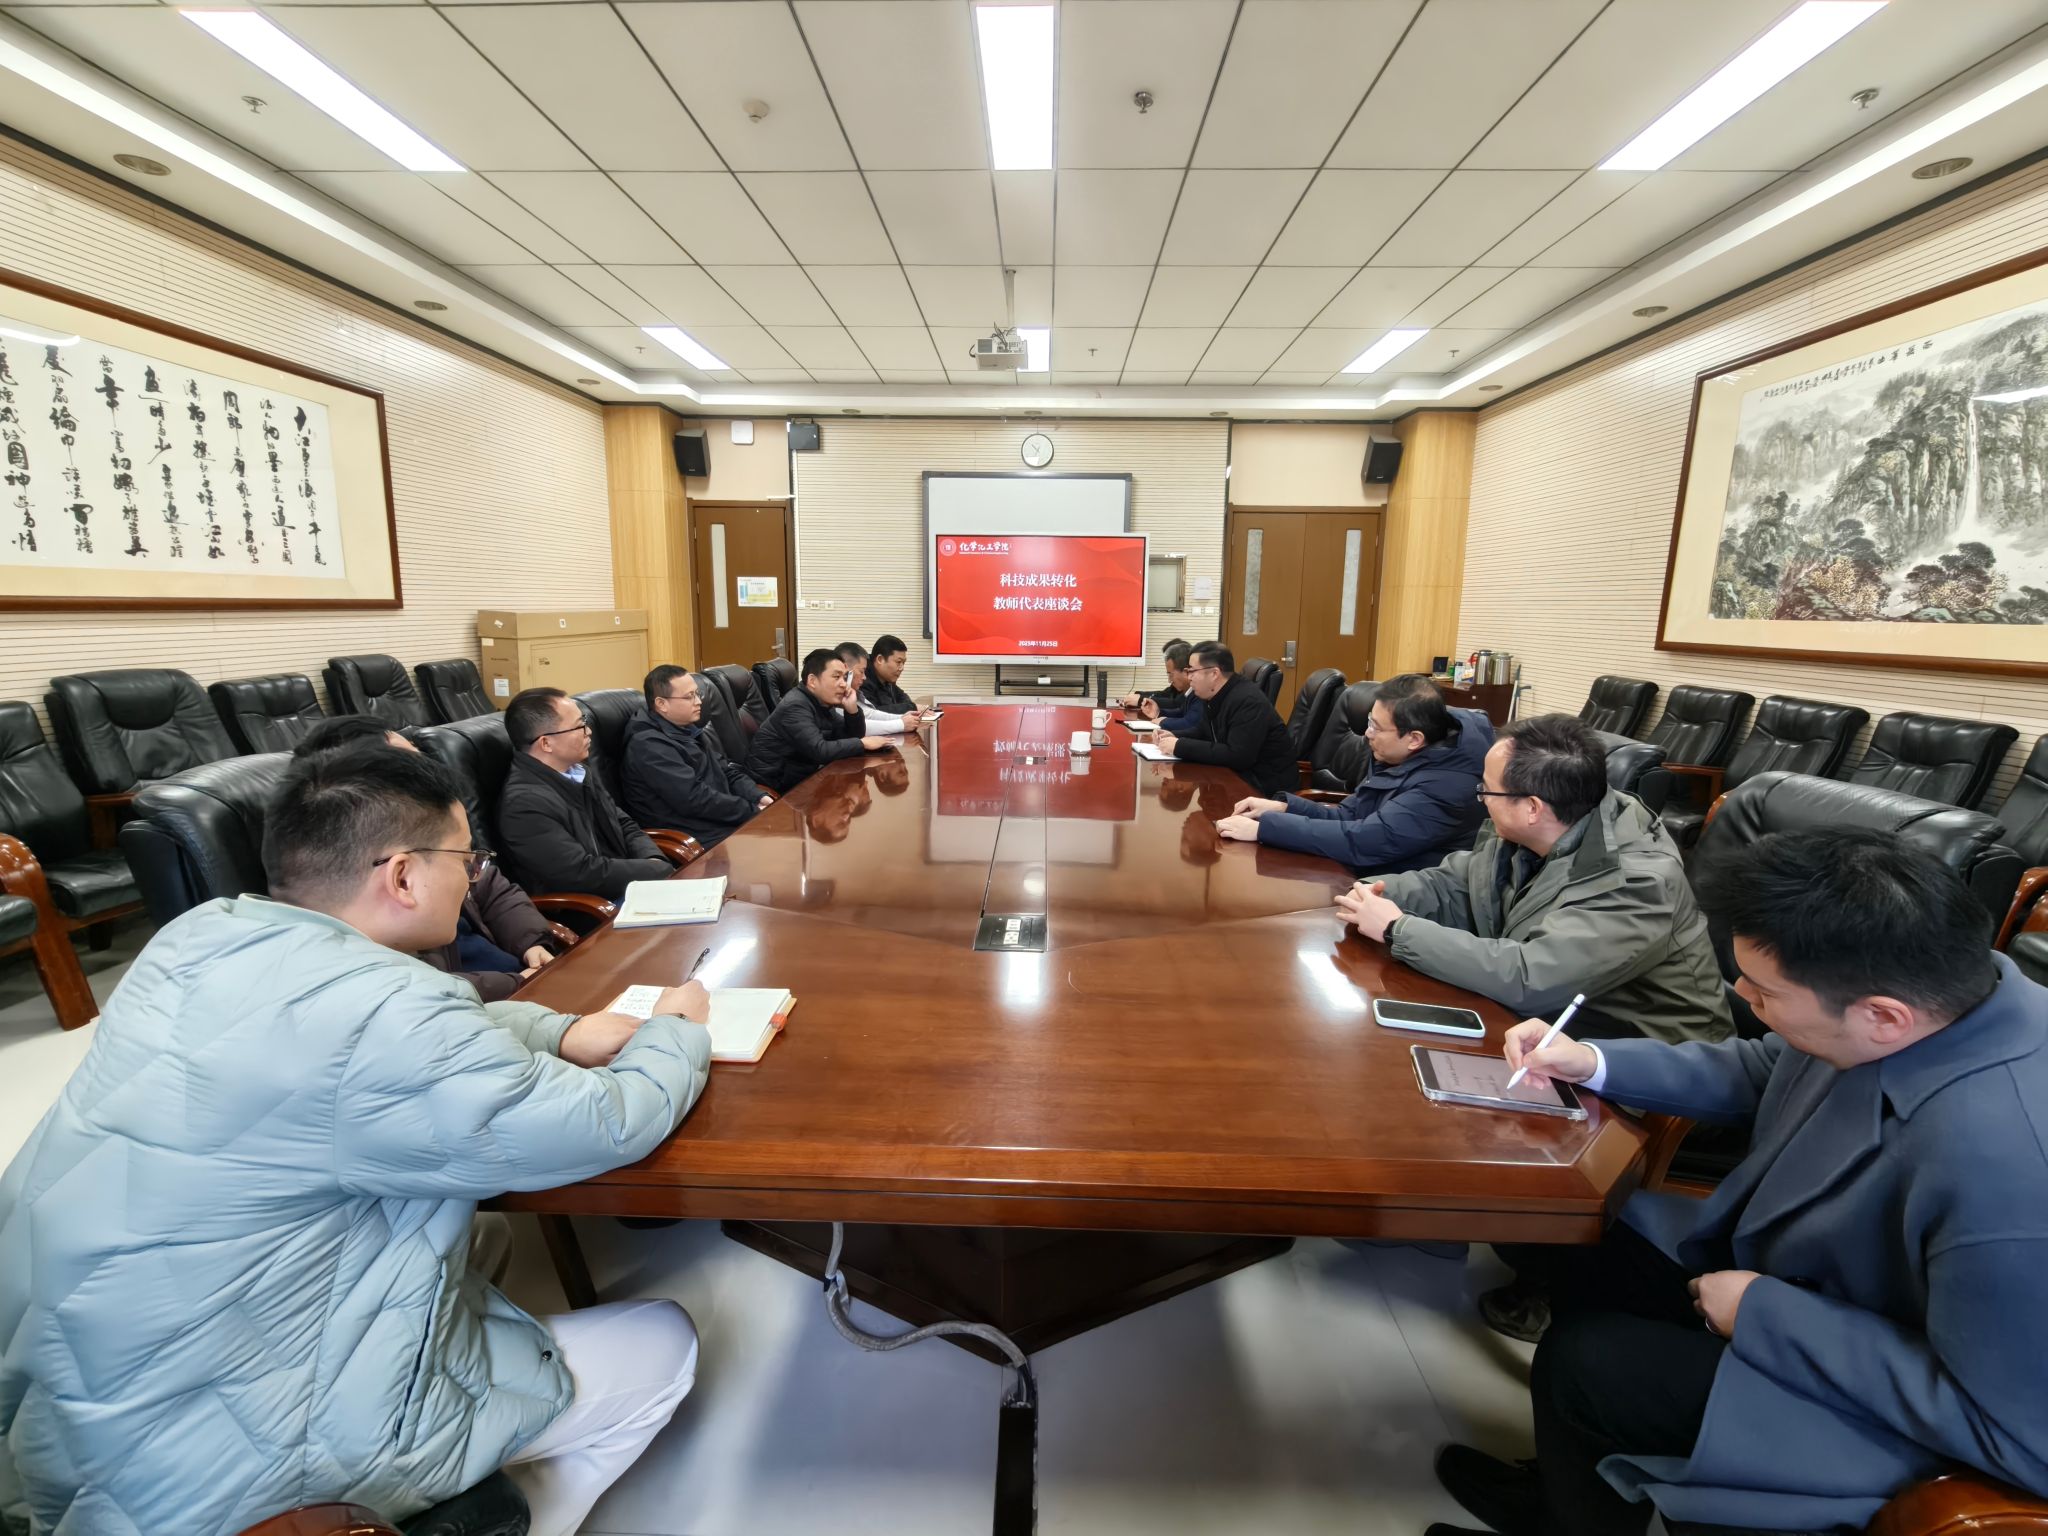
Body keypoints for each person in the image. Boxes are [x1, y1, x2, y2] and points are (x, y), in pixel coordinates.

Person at [0, 747, 715, 1536]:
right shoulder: (383, 1014)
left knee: (483, 1244)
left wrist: (560, 1030)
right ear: (403, 876)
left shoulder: (200, 938)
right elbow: (606, 1123)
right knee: (663, 1344)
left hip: (74, 1407)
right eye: (466, 859)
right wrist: (676, 1029)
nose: (473, 876)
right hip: (213, 1468)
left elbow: (413, 1030)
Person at [1429, 830, 2048, 1536]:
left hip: (1903, 1411)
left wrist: (1767, 1314)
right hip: (1817, 1278)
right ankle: (1569, 1488)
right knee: (1584, 1234)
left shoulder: (2009, 1166)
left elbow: (2012, 1426)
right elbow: (1767, 1066)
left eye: (1764, 991)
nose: (1743, 997)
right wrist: (1590, 1061)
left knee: (1587, 1367)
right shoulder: (1940, 992)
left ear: (1882, 1016)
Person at [1336, 712, 1731, 1045]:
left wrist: (1397, 929)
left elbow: (1531, 979)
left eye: (1486, 790)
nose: (1481, 799)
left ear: (1532, 808)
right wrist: (1369, 892)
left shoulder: (1637, 882)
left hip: (1639, 1061)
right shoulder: (1529, 830)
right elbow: (1454, 884)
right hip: (1547, 1031)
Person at [292, 715, 560, 1001]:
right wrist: (514, 983)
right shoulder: (354, 891)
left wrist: (532, 942)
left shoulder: (433, 828)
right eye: (410, 762)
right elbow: (420, 987)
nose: (428, 770)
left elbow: (491, 886)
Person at [1217, 674, 1491, 875]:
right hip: (1362, 872)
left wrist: (1265, 829)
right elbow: (1350, 815)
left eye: (1376, 727)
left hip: (1400, 896)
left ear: (1414, 739)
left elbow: (1364, 841)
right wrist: (1283, 808)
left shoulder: (1446, 788)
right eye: (1370, 721)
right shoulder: (1401, 757)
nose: (1367, 734)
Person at [499, 686, 673, 900]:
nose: (588, 731)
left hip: (625, 884)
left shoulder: (578, 771)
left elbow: (623, 824)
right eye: (579, 726)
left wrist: (653, 859)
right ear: (546, 743)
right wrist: (655, 871)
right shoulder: (524, 805)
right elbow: (580, 873)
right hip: (591, 906)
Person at [621, 665, 773, 850]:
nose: (699, 701)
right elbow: (694, 800)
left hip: (717, 820)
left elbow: (726, 771)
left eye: (697, 694)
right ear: (661, 704)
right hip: (694, 835)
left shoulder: (684, 729)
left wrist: (757, 796)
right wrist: (751, 810)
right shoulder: (648, 746)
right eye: (689, 697)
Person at [1153, 641, 1296, 798]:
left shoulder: (1247, 701)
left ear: (1214, 673)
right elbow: (1203, 731)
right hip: (1233, 780)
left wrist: (1179, 746)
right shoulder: (1212, 694)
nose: (1189, 677)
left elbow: (1238, 756)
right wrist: (1174, 736)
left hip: (1264, 790)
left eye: (1192, 671)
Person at [746, 647, 889, 794]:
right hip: (774, 786)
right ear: (812, 681)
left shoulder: (821, 702)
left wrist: (852, 709)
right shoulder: (795, 705)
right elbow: (819, 750)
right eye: (836, 677)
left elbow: (851, 735)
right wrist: (862, 744)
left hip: (801, 776)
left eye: (844, 677)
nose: (843, 684)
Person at [834, 641, 922, 736]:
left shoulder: (886, 679)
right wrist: (901, 724)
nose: (864, 677)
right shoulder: (832, 700)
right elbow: (858, 726)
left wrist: (902, 717)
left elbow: (869, 713)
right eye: (861, 671)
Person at [1119, 636, 1191, 714]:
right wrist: (1138, 695)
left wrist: (1141, 700)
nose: (1169, 680)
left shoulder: (1195, 688)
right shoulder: (1181, 684)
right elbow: (1164, 694)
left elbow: (1176, 704)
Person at [861, 633, 920, 714]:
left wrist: (911, 706)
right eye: (898, 662)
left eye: (903, 663)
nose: (902, 668)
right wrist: (912, 707)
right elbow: (874, 713)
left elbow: (901, 696)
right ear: (880, 659)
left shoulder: (886, 677)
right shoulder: (863, 679)